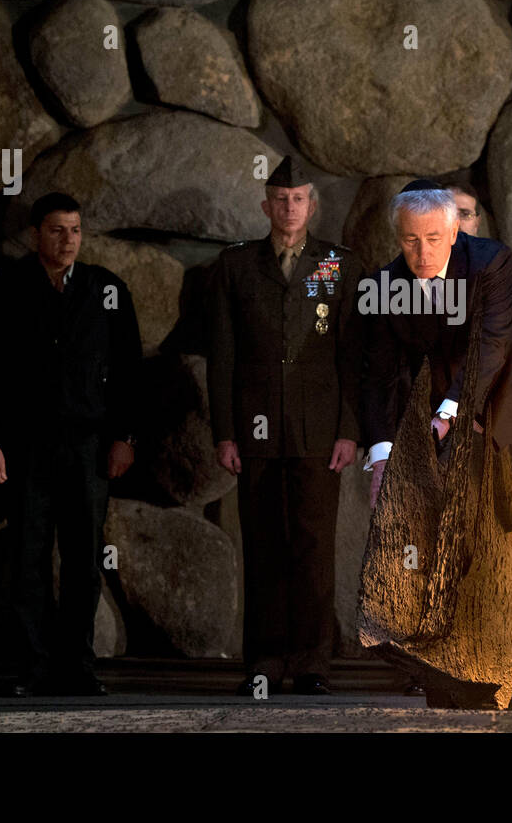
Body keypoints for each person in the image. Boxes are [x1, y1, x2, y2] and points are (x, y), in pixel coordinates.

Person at [0, 191, 142, 697]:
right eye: (58, 230)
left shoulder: (107, 290)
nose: (68, 241)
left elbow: (129, 370)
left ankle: (78, 666)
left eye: (76, 230)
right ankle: (34, 666)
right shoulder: (4, 290)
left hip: (88, 446)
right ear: (36, 234)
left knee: (84, 560)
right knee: (28, 555)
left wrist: (124, 438)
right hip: (24, 447)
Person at [208, 156, 360, 696]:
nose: (289, 207)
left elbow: (352, 354)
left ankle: (313, 662)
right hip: (257, 431)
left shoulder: (338, 265)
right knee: (264, 543)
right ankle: (265, 661)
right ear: (265, 205)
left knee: (314, 547)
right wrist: (224, 432)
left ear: (311, 205)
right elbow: (222, 354)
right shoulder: (237, 266)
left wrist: (349, 429)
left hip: (319, 433)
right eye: (280, 198)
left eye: (299, 198)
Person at [362, 180, 512, 509]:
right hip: (434, 428)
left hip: (500, 409)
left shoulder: (490, 263)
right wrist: (382, 458)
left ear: (454, 231)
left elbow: (491, 345)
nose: (423, 254)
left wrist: (446, 416)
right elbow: (378, 376)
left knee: (511, 529)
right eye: (411, 240)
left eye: (433, 238)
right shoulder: (383, 286)